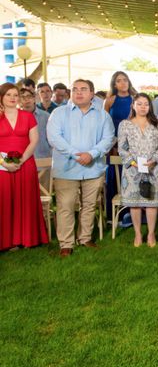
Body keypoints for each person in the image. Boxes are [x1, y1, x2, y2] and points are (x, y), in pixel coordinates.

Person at [47, 79, 115, 257]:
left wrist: (91, 154)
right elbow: (54, 137)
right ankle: (66, 243)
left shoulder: (102, 115)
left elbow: (108, 138)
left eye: (83, 89)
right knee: (65, 206)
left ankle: (85, 238)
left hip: (93, 168)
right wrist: (76, 154)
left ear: (92, 93)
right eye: (75, 89)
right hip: (66, 169)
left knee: (89, 205)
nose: (79, 92)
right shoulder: (59, 113)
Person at [0, 83, 49, 251]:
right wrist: (4, 163)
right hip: (2, 166)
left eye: (15, 95)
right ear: (1, 97)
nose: (13, 98)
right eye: (9, 95)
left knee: (26, 199)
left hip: (26, 163)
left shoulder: (28, 116)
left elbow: (34, 140)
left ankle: (27, 238)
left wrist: (21, 160)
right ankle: (6, 241)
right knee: (5, 201)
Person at [118, 93, 158, 247]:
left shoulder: (157, 124)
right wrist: (133, 163)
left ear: (150, 106)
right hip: (132, 170)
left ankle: (151, 234)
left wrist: (154, 160)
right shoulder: (125, 124)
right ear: (133, 105)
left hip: (153, 168)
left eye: (146, 104)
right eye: (139, 104)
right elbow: (121, 147)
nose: (142, 107)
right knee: (135, 203)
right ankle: (138, 234)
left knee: (151, 203)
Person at [104, 71, 136, 220]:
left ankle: (132, 212)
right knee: (114, 176)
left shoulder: (136, 99)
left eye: (125, 80)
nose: (123, 83)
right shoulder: (110, 100)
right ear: (114, 84)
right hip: (114, 144)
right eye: (119, 81)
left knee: (132, 175)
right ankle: (113, 214)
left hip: (133, 143)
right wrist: (112, 143)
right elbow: (104, 124)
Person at [19, 88, 51, 159]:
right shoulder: (16, 117)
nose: (26, 99)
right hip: (24, 159)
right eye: (23, 97)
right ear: (19, 101)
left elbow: (52, 139)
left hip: (44, 158)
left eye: (29, 96)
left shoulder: (46, 116)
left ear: (34, 98)